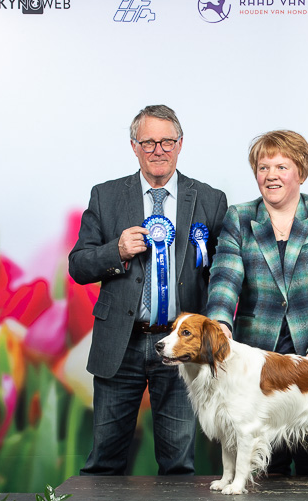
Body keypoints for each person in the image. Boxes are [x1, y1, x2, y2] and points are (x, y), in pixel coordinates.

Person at [69, 105, 227, 476]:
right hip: (119, 343)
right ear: (134, 146)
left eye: (167, 141)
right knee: (104, 460)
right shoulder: (106, 196)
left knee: (178, 463)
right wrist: (116, 251)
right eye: (148, 142)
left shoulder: (210, 199)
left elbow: (224, 270)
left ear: (180, 144)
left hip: (181, 345)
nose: (158, 150)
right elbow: (78, 266)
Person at [206, 130, 308, 476]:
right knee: (265, 457)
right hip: (259, 356)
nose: (270, 175)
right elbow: (224, 279)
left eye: (281, 167)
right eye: (263, 167)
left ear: (300, 172)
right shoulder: (239, 217)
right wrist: (220, 326)